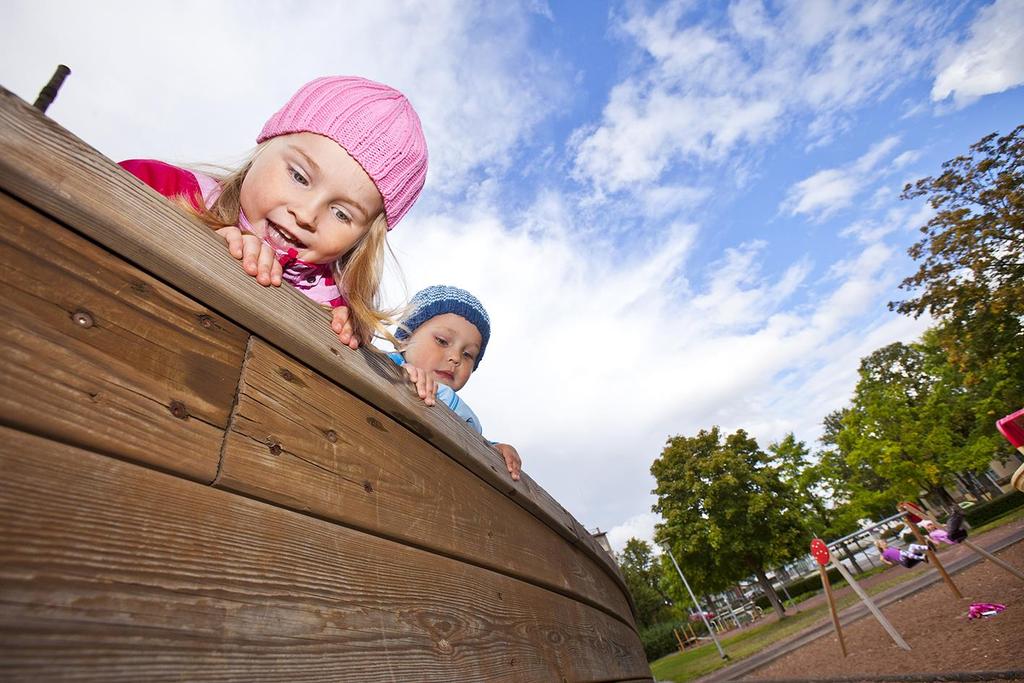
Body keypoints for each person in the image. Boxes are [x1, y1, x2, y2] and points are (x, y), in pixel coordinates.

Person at [120, 75, 428, 351]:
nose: (307, 214)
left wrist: (341, 335)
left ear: (362, 238)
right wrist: (194, 239)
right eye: (298, 176)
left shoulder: (334, 310)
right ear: (266, 144)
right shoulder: (164, 188)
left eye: (341, 214)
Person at [389, 285, 522, 481]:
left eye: (468, 354)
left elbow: (474, 442)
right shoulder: (385, 366)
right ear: (406, 336)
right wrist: (396, 373)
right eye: (442, 341)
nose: (455, 358)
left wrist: (495, 450)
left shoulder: (465, 415)